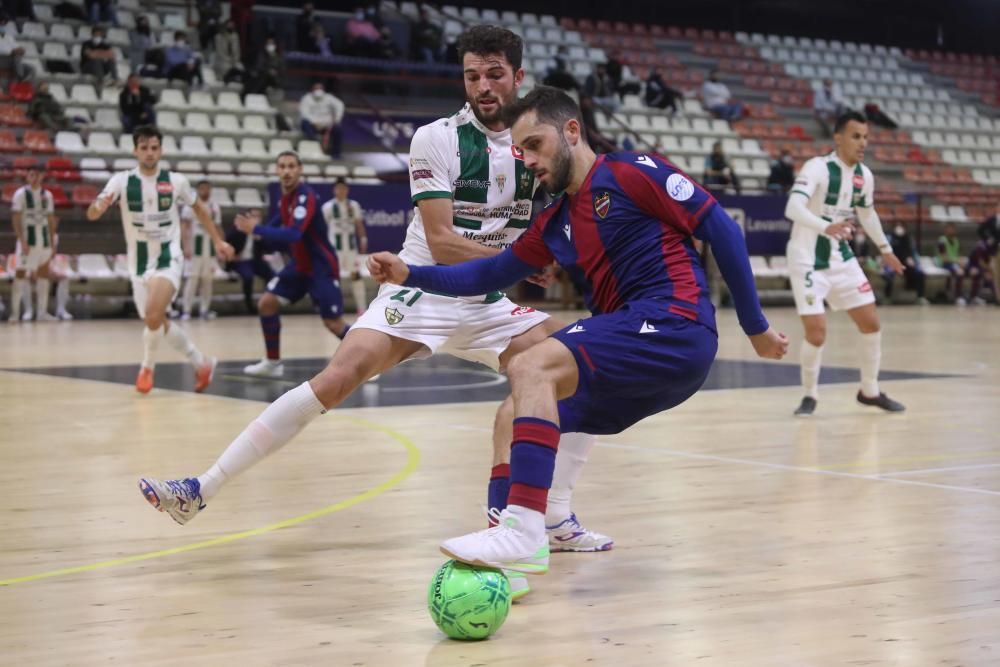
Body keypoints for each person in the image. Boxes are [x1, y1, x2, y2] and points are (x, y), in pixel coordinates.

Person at [137, 27, 611, 602]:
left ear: (517, 75)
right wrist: (523, 262)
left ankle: (544, 519)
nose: (483, 86)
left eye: (493, 73)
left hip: (487, 301)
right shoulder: (435, 138)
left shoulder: (534, 144)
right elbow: (440, 243)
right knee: (335, 381)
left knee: (585, 361)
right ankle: (199, 489)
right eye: (471, 75)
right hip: (422, 290)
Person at [366, 85, 788, 573]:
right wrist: (410, 274)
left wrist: (755, 325)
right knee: (515, 409)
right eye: (520, 151)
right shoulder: (554, 222)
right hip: (640, 348)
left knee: (531, 363)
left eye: (535, 145)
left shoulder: (631, 173)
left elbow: (723, 230)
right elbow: (484, 275)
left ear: (571, 130)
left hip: (675, 325)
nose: (526, 160)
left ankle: (522, 529)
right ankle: (517, 546)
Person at [87, 125, 233, 393]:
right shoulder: (121, 181)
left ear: (161, 150)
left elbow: (199, 211)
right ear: (135, 151)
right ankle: (201, 363)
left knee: (154, 315)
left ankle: (147, 368)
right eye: (144, 148)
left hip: (169, 256)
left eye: (154, 148)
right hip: (137, 262)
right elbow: (93, 214)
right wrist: (98, 206)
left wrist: (218, 241)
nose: (150, 153)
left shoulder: (176, 181)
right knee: (155, 321)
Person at [784, 110, 906, 416]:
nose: (862, 142)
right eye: (855, 136)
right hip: (807, 258)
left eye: (865, 137)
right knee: (817, 332)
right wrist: (826, 226)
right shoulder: (818, 168)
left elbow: (867, 214)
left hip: (841, 256)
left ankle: (869, 390)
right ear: (838, 138)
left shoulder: (865, 176)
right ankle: (809, 396)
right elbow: (792, 207)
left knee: (871, 323)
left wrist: (885, 249)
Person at [238, 151, 351, 376]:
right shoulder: (284, 199)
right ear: (277, 171)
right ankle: (273, 363)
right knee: (266, 303)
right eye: (282, 167)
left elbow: (292, 234)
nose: (287, 171)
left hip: (321, 268)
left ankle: (369, 361)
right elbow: (275, 225)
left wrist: (257, 229)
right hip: (299, 267)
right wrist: (245, 238)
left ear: (300, 170)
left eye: (291, 166)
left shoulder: (305, 197)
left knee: (333, 323)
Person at [9, 166, 58, 322]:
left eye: (38, 175)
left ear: (42, 177)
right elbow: (16, 218)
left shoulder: (47, 195)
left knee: (44, 276)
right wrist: (21, 240)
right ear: (27, 177)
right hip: (27, 242)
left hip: (43, 242)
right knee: (20, 275)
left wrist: (52, 241)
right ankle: (15, 314)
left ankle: (42, 313)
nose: (35, 177)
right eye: (32, 175)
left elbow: (50, 219)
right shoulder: (20, 194)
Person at [322, 177, 368, 315]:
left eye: (343, 188)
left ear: (347, 190)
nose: (341, 191)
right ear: (334, 190)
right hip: (334, 250)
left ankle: (362, 308)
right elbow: (322, 228)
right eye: (338, 188)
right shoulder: (328, 207)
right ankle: (334, 307)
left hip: (351, 249)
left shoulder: (353, 205)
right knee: (333, 279)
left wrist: (363, 239)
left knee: (356, 277)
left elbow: (358, 224)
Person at [180, 180, 221, 320]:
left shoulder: (214, 206)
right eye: (202, 188)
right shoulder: (190, 205)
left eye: (207, 188)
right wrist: (185, 246)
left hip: (209, 247)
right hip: (193, 246)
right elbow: (184, 226)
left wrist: (221, 245)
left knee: (207, 280)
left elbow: (218, 227)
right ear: (197, 190)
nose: (205, 191)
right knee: (192, 279)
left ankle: (204, 310)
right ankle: (186, 310)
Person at [225, 214, 275, 314]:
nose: (255, 219)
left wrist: (259, 238)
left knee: (271, 274)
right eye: (252, 216)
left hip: (255, 261)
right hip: (241, 262)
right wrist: (231, 256)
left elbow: (268, 248)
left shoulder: (259, 232)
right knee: (248, 277)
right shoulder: (237, 231)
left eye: (257, 217)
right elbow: (227, 242)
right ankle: (249, 307)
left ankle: (268, 303)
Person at [884, 222, 928, 305]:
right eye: (897, 226)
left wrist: (915, 262)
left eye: (901, 226)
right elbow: (886, 252)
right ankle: (887, 297)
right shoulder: (890, 238)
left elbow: (913, 252)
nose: (899, 228)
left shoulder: (908, 238)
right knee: (888, 275)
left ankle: (920, 297)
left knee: (920, 274)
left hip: (906, 264)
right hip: (893, 263)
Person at [299, 82, 345, 159]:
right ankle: (314, 150)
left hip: (326, 126)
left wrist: (337, 119)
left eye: (320, 88)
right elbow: (304, 113)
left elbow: (340, 105)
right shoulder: (306, 98)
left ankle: (336, 154)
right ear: (312, 90)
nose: (318, 90)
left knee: (338, 129)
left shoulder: (329, 98)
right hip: (312, 125)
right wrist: (314, 123)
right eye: (316, 88)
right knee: (305, 123)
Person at [936, 222, 966, 304]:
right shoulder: (942, 241)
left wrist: (961, 261)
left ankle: (971, 295)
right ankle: (958, 296)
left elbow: (959, 255)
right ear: (945, 230)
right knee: (959, 272)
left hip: (953, 263)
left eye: (953, 228)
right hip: (944, 263)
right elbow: (944, 258)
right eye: (949, 228)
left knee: (970, 269)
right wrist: (957, 261)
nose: (951, 230)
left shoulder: (956, 241)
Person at [977, 203, 1000, 297]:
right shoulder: (991, 220)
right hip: (995, 250)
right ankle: (998, 297)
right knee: (996, 274)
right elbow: (980, 230)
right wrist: (988, 239)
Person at [213, 19, 244, 85]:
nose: (231, 26)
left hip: (234, 60)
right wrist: (228, 60)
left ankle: (236, 82)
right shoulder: (218, 37)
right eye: (229, 25)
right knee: (226, 67)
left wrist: (235, 59)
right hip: (222, 60)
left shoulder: (235, 36)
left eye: (232, 25)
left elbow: (237, 51)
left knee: (240, 67)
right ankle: (224, 81)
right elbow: (219, 52)